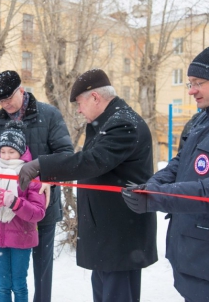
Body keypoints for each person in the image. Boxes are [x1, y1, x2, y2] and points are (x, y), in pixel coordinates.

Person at [121, 44, 209, 302]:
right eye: (189, 82)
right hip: (193, 256)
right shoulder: (203, 118)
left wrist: (158, 196)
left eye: (198, 82)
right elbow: (178, 163)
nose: (191, 90)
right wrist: (151, 187)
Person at [18, 69, 158, 302]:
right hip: (108, 233)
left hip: (120, 236)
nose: (79, 110)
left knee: (116, 295)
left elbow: (92, 161)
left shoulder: (123, 123)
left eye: (80, 103)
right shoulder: (109, 121)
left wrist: (42, 165)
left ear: (95, 97)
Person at [0, 70, 73, 302]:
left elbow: (65, 154)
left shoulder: (49, 115)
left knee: (42, 267)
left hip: (40, 206)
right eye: (0, 101)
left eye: (9, 98)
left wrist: (48, 176)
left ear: (21, 91)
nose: (5, 104)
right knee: (2, 265)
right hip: (5, 210)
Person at [0, 121, 45, 302]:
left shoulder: (31, 174)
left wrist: (15, 203)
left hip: (21, 239)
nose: (6, 156)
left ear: (21, 152)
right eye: (3, 151)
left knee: (18, 284)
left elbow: (38, 212)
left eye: (12, 152)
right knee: (2, 284)